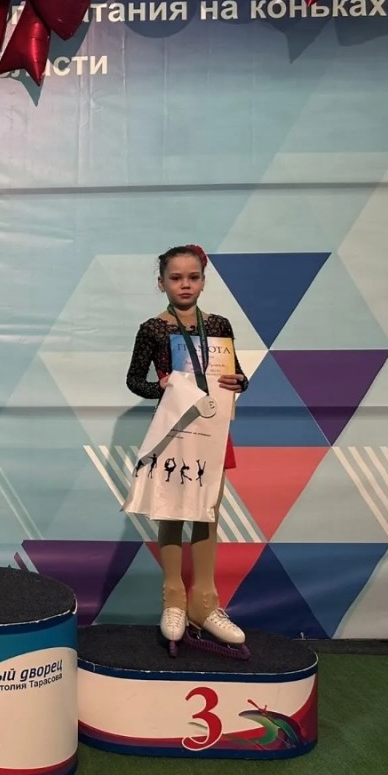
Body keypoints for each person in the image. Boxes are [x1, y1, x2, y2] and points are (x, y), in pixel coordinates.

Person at [125, 245, 249, 654]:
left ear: (203, 281)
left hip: (213, 432)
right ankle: (174, 600)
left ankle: (205, 603)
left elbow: (236, 373)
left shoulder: (219, 325)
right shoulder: (152, 328)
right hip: (174, 432)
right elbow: (134, 380)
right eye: (176, 278)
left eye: (192, 277)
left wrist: (240, 382)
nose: (185, 285)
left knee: (207, 513)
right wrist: (158, 387)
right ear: (161, 283)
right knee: (173, 511)